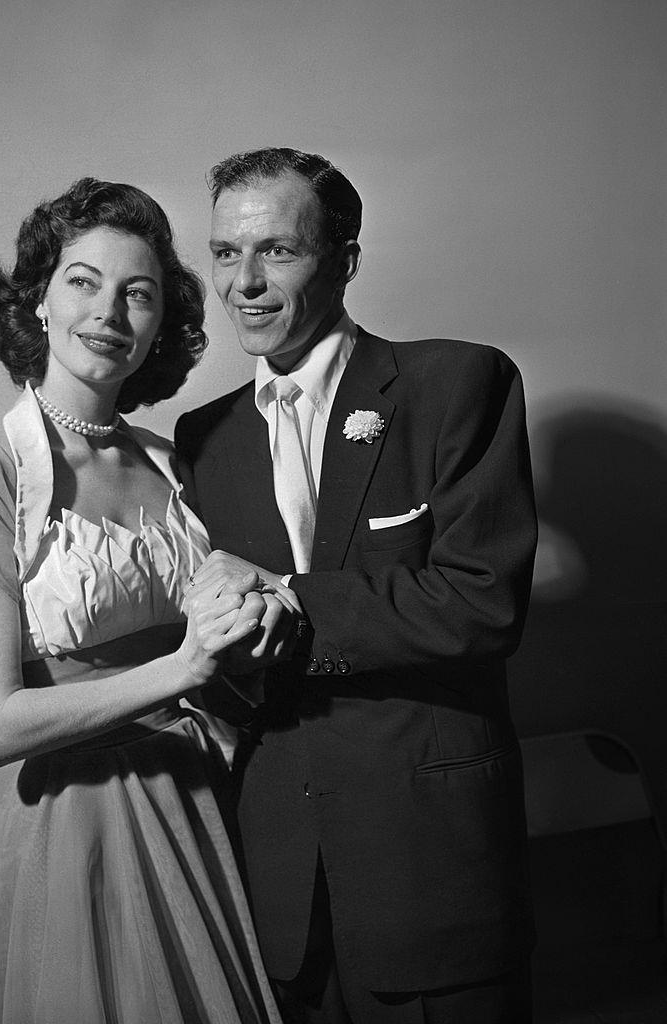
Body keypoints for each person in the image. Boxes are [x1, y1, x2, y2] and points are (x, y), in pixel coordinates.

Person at [175, 149, 538, 1024]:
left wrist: (291, 598)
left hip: (431, 872)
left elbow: (481, 602)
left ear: (343, 259)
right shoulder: (201, 438)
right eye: (225, 253)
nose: (244, 284)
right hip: (281, 888)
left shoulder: (457, 383)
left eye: (277, 252)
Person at [0, 177, 291, 1024]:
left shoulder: (175, 462)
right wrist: (183, 667)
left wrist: (257, 621)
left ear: (162, 323)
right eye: (82, 281)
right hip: (84, 826)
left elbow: (231, 645)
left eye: (139, 294)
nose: (108, 313)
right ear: (39, 302)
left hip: (208, 801)